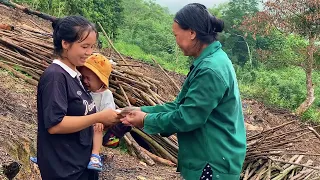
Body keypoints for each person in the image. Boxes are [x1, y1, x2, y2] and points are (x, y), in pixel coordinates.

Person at [120, 3, 247, 180]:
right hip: (211, 156)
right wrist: (143, 111)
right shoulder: (210, 61)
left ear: (192, 33)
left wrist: (146, 120)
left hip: (211, 163)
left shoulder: (210, 70)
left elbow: (188, 117)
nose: (176, 41)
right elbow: (180, 105)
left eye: (176, 35)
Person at [37, 15, 120, 180]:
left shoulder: (76, 75)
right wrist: (98, 116)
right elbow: (55, 124)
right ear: (65, 44)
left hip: (80, 165)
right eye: (84, 47)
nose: (89, 53)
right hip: (64, 170)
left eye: (92, 47)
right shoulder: (55, 77)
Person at [78, 53, 132, 171]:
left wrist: (99, 119)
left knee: (98, 126)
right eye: (84, 77)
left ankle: (95, 155)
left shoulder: (105, 94)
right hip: (81, 122)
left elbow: (108, 112)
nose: (85, 81)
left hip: (96, 124)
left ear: (101, 80)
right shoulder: (82, 89)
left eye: (89, 79)